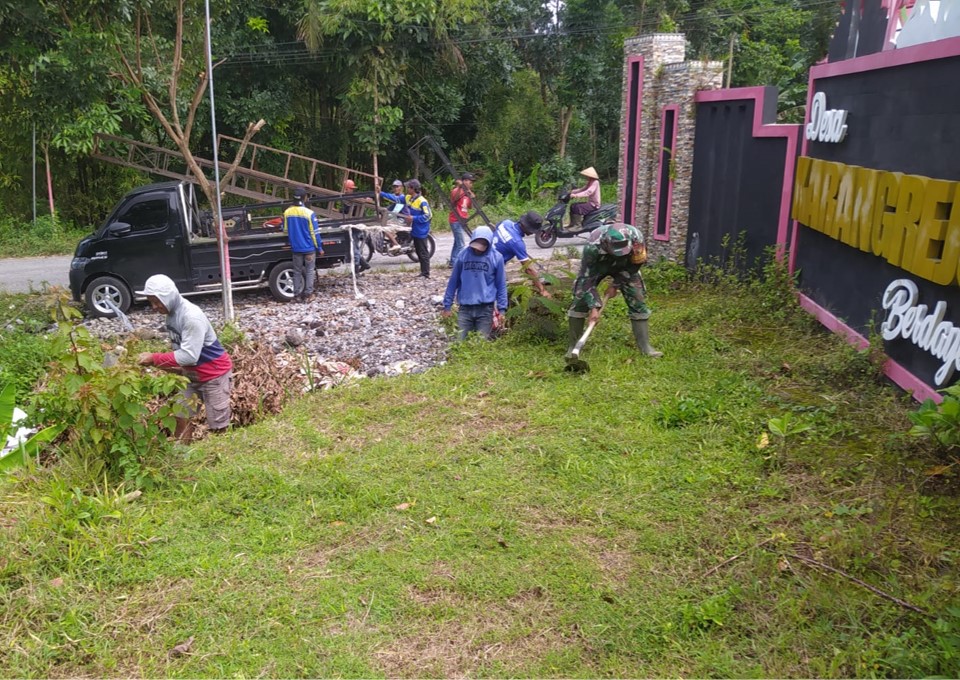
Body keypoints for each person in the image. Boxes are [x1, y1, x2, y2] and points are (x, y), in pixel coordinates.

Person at [136, 274, 234, 442]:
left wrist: (154, 358)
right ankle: (182, 453)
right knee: (180, 413)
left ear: (168, 296)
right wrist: (161, 365)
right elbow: (179, 350)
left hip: (214, 375)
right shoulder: (171, 313)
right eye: (151, 301)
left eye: (157, 301)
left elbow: (189, 356)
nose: (154, 306)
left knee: (218, 423)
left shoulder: (191, 316)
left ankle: (223, 455)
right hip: (192, 377)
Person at [567, 223, 663, 358]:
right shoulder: (592, 247)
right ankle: (573, 347)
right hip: (598, 266)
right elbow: (586, 280)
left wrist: (615, 285)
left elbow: (635, 266)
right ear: (606, 244)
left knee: (637, 299)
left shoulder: (636, 239)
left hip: (626, 267)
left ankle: (645, 347)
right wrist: (594, 307)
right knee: (580, 300)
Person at [442, 226, 508, 340]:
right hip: (465, 308)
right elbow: (453, 282)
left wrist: (502, 310)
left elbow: (501, 285)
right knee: (460, 341)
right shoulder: (463, 255)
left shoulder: (496, 258)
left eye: (481, 247)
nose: (477, 250)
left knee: (481, 344)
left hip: (485, 309)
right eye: (475, 246)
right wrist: (447, 306)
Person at [491, 210, 551, 298]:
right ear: (527, 228)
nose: (532, 233)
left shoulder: (506, 223)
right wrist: (542, 290)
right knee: (499, 295)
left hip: (483, 257)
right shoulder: (517, 243)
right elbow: (528, 269)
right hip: (491, 268)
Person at [282, 187, 323, 302]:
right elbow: (315, 233)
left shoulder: (287, 212)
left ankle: (296, 296)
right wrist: (319, 247)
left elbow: (285, 230)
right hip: (309, 248)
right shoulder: (309, 213)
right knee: (310, 271)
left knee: (297, 271)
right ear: (305, 198)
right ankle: (308, 295)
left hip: (296, 248)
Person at [339, 179, 371, 275]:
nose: (350, 190)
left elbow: (347, 210)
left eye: (350, 189)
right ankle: (364, 264)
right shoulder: (348, 198)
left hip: (355, 226)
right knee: (353, 248)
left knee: (354, 249)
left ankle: (356, 271)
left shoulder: (354, 199)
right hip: (353, 225)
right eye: (349, 189)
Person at [403, 179, 433, 278]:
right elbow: (396, 199)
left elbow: (428, 215)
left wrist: (414, 218)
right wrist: (380, 193)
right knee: (419, 251)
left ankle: (426, 273)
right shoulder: (409, 198)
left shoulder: (422, 201)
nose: (407, 189)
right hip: (415, 229)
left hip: (421, 230)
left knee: (423, 252)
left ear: (413, 189)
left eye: (408, 187)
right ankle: (423, 272)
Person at [448, 172, 476, 267]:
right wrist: (460, 188)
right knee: (461, 244)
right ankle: (458, 264)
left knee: (457, 242)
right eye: (469, 181)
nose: (471, 184)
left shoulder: (468, 193)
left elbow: (470, 206)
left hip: (462, 219)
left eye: (472, 182)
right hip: (455, 219)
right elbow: (453, 200)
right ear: (464, 181)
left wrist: (471, 195)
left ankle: (452, 262)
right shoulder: (456, 190)